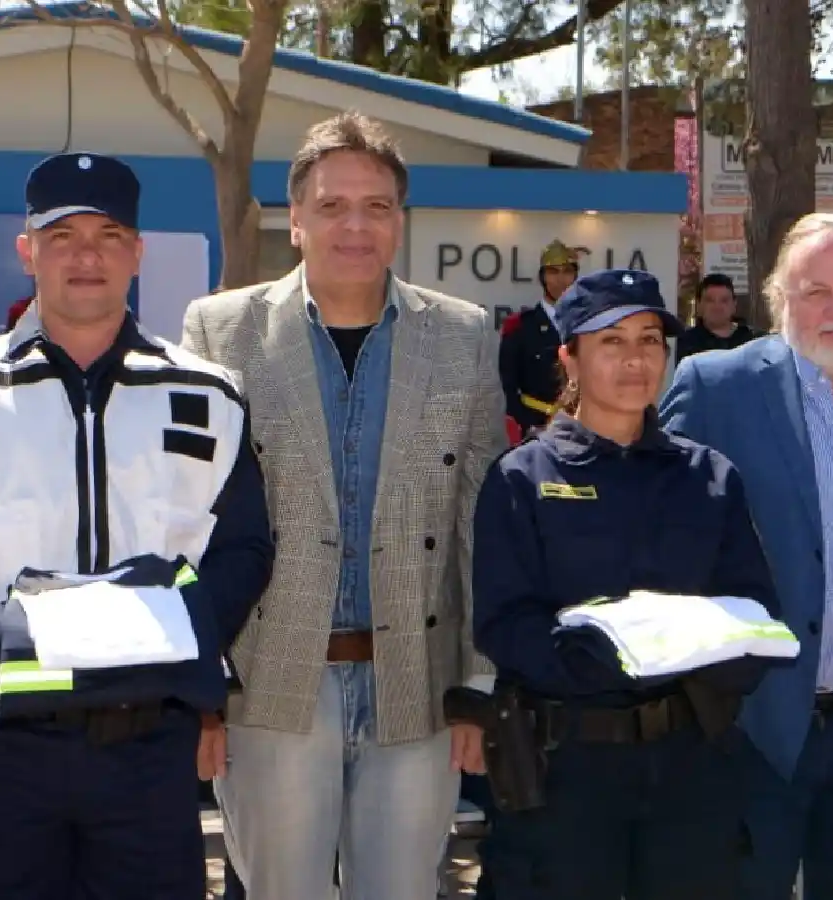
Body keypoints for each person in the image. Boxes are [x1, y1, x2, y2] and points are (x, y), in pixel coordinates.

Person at [0, 150, 274, 900]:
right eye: (62, 236)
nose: (86, 255)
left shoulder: (210, 393)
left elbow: (246, 546)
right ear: (28, 251)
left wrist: (181, 632)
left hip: (148, 750)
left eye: (108, 234)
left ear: (137, 253)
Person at [182, 111, 505, 900]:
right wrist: (199, 690)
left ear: (400, 221)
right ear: (294, 220)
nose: (354, 225)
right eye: (331, 206)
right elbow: (186, 521)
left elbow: (478, 524)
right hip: (269, 682)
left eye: (376, 206)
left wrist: (478, 685)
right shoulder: (220, 332)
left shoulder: (463, 335)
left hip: (418, 686)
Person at [471, 268, 781, 900]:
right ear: (570, 358)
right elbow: (505, 624)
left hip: (690, 769)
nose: (636, 359)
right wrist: (614, 659)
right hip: (565, 774)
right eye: (611, 342)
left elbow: (755, 612)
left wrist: (705, 660)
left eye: (649, 340)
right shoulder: (521, 479)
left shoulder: (708, 477)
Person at [659, 212, 833, 900]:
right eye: (815, 291)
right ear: (779, 297)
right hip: (751, 732)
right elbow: (653, 533)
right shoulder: (716, 386)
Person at [498, 239, 580, 439]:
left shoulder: (586, 326)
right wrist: (526, 426)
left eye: (567, 271)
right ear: (542, 277)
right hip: (535, 429)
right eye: (553, 272)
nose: (561, 280)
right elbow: (507, 387)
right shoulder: (521, 327)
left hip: (581, 429)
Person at [674, 272, 757, 365]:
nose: (717, 307)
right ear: (699, 305)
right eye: (710, 300)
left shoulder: (754, 339)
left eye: (724, 300)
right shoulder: (687, 342)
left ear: (734, 304)